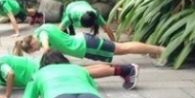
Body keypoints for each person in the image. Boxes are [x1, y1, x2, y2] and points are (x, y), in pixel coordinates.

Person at [0, 56, 139, 98]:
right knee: (81, 71)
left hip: (43, 69)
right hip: (41, 70)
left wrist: (7, 95)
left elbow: (10, 74)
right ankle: (123, 69)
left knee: (84, 72)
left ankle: (126, 69)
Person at [13, 24, 164, 61]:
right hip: (84, 43)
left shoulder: (43, 34)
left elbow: (46, 48)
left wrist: (42, 62)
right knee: (121, 49)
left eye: (34, 50)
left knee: (122, 49)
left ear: (32, 43)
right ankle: (155, 50)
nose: (37, 50)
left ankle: (158, 50)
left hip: (85, 45)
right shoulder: (41, 29)